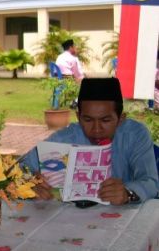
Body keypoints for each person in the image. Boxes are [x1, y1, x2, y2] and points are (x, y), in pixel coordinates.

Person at [22, 78, 159, 205]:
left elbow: (151, 181)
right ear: (78, 117)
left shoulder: (134, 135)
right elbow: (19, 169)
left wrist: (127, 193)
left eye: (105, 120)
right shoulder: (64, 139)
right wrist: (30, 183)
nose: (96, 129)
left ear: (120, 119)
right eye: (88, 120)